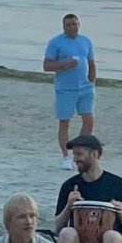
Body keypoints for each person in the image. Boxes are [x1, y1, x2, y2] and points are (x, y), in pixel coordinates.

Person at [45, 13, 97, 168]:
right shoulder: (56, 43)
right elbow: (47, 66)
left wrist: (92, 81)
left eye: (74, 24)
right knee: (64, 122)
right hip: (65, 89)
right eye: (68, 25)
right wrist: (64, 65)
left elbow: (92, 63)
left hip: (85, 88)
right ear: (64, 27)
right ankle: (65, 157)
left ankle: (81, 151)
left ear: (79, 25)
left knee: (89, 121)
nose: (72, 27)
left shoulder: (86, 41)